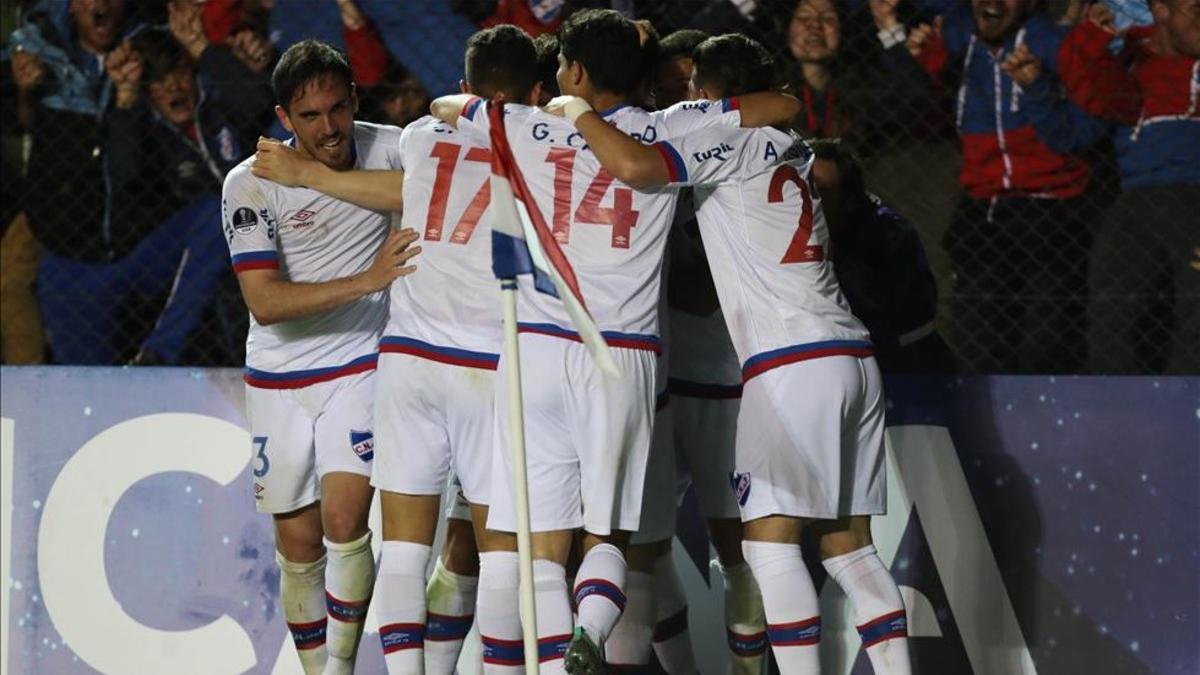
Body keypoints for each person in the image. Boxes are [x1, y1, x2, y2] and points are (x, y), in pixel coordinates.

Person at [430, 11, 799, 673]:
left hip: (538, 348)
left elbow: (446, 104)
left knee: (538, 548)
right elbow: (783, 105)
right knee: (611, 535)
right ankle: (588, 636)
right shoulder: (672, 129)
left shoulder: (528, 123)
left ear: (571, 72)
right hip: (622, 359)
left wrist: (556, 111)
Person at [552, 33, 914, 675]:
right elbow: (783, 107)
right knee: (849, 549)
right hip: (851, 356)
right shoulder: (792, 148)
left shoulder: (732, 143)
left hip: (790, 364)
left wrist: (577, 111)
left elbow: (636, 168)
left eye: (695, 90)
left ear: (711, 94)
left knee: (769, 548)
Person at [252, 23, 546, 675]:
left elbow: (402, 190)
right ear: (538, 90)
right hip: (491, 366)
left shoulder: (417, 138)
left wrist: (301, 170)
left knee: (406, 551)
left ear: (464, 88)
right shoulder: (548, 152)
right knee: (499, 552)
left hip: (409, 363)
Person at [222, 39, 421, 675]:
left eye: (338, 109)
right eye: (309, 118)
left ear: (355, 99)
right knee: (299, 542)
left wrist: (315, 175)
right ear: (284, 117)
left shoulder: (392, 147)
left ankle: (338, 669)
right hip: (280, 376)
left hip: (362, 362)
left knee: (344, 519)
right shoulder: (248, 182)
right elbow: (265, 303)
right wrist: (368, 279)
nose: (329, 128)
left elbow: (432, 186)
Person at [900, 0, 1110, 373]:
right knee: (977, 334)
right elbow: (909, 116)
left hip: (1053, 205)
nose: (994, 3)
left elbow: (1085, 132)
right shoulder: (953, 38)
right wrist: (923, 68)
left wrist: (1039, 89)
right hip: (984, 205)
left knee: (1045, 338)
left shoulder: (1057, 44)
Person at [654, 27, 768, 675]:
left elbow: (706, 286)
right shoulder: (649, 154)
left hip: (725, 379)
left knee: (739, 548)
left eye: (688, 84)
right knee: (640, 544)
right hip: (659, 382)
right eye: (667, 85)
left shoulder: (735, 158)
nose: (679, 96)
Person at [1072, 0, 1200, 373]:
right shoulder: (1130, 56)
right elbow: (1095, 110)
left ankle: (1190, 409)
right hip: (1136, 196)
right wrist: (1092, 44)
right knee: (1113, 306)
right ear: (1161, 11)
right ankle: (1115, 406)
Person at [810, 138, 955, 373]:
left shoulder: (886, 235)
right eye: (802, 188)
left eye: (822, 192)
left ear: (849, 201)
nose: (808, 200)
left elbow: (893, 322)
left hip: (897, 364)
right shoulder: (781, 229)